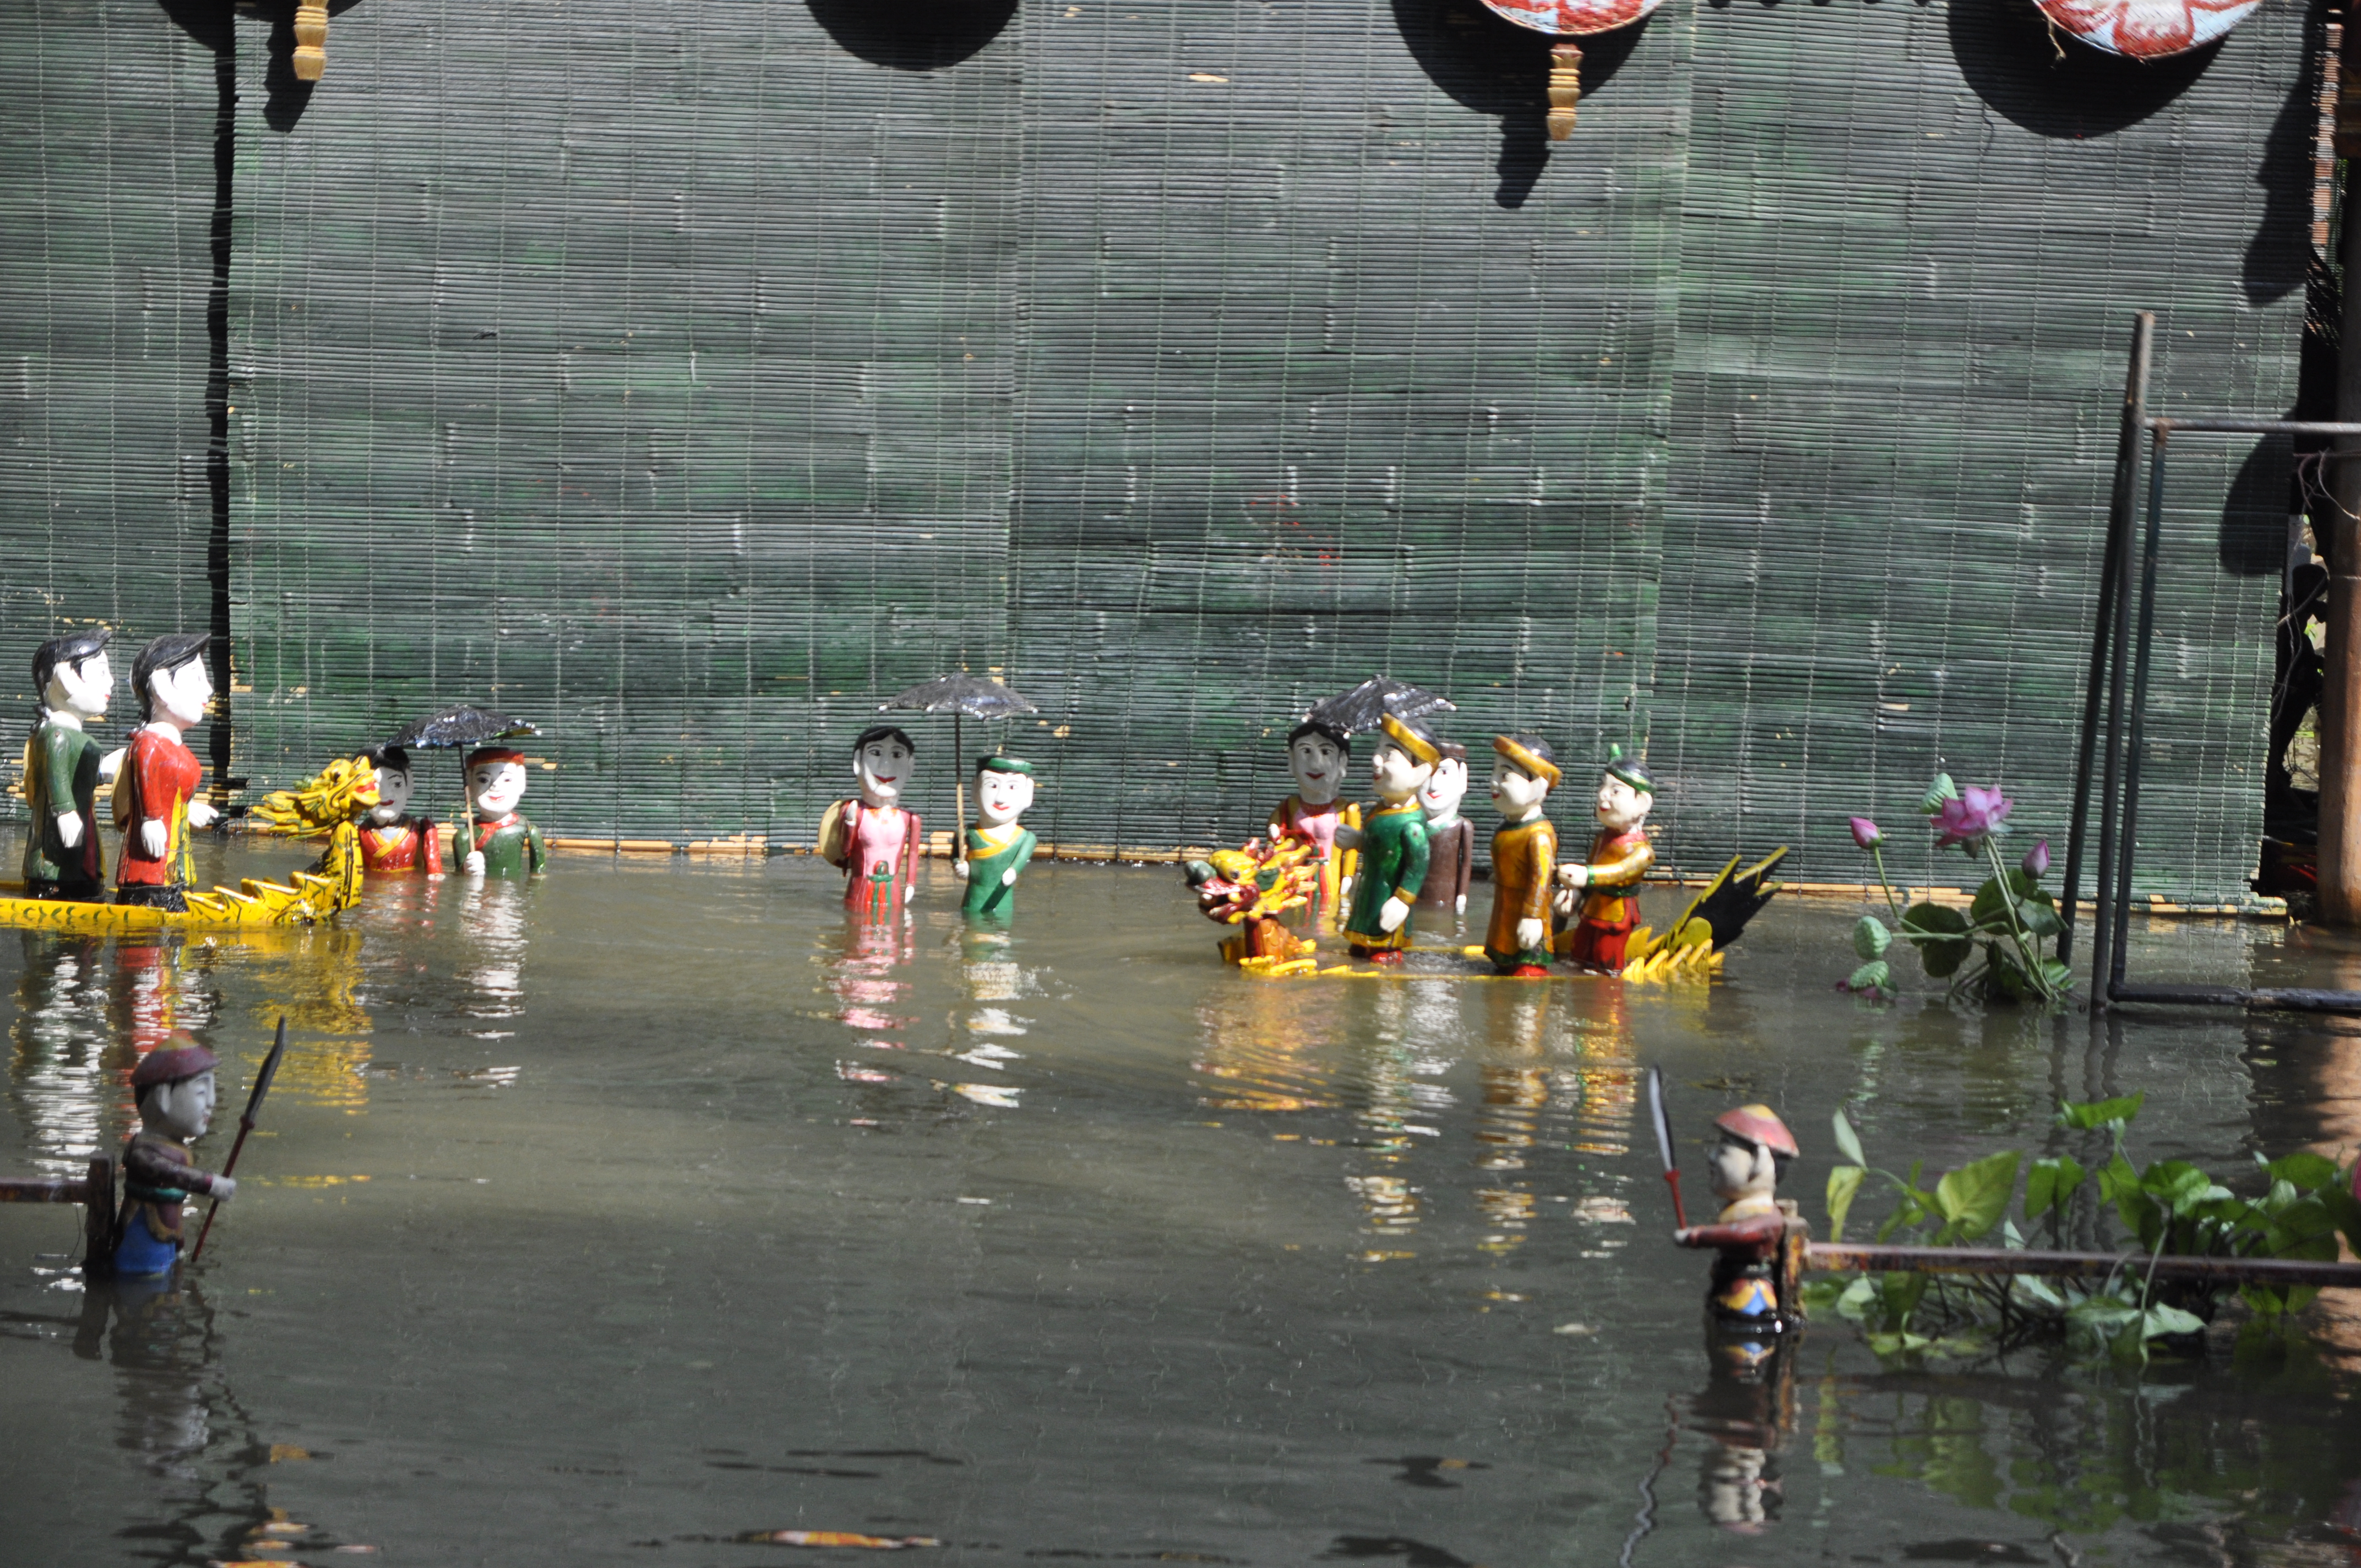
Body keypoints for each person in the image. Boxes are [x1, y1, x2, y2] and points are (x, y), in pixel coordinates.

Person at [114, 1036, 238, 1277]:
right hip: (143, 1244)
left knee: (167, 1293)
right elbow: (169, 1173)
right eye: (202, 1091)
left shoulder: (175, 1147)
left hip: (167, 1236)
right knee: (149, 1296)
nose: (212, 1102)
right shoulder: (142, 1151)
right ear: (163, 1098)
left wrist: (179, 1244)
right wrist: (211, 1184)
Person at [113, 633, 219, 911]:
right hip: (152, 863)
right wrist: (151, 819)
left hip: (175, 856)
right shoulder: (148, 743)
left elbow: (167, 786)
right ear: (161, 686)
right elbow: (145, 779)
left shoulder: (175, 746)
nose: (208, 690)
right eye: (196, 679)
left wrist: (187, 806)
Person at [1674, 1104, 1800, 1331]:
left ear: (1760, 1164)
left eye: (1723, 1152)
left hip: (1751, 1302)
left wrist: (1698, 1236)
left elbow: (1742, 1233)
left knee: (1743, 1359)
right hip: (1728, 1289)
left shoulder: (1767, 1218)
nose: (1711, 1158)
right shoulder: (1741, 1210)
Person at [1336, 711, 1438, 962]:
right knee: (1358, 950)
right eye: (1378, 750)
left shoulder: (1412, 824)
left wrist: (1402, 901)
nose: (1376, 760)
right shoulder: (1379, 811)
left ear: (1419, 771)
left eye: (1389, 754)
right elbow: (1376, 843)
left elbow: (1417, 867)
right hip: (1369, 894)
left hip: (1389, 902)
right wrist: (1358, 840)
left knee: (1384, 956)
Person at [23, 627, 113, 900]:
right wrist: (64, 812)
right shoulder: (57, 735)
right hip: (59, 848)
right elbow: (57, 776)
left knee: (83, 874)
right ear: (67, 676)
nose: (111, 682)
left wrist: (102, 773)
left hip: (81, 835)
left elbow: (70, 775)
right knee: (67, 877)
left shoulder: (72, 736)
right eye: (100, 672)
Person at [1555, 746, 1656, 972]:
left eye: (1616, 791)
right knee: (1579, 952)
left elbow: (1620, 871)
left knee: (1606, 959)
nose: (1603, 794)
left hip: (1617, 914)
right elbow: (1593, 866)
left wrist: (1586, 876)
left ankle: (1607, 1002)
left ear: (1642, 803)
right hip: (1593, 908)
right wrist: (1577, 894)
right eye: (1603, 786)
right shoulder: (1602, 838)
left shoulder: (1642, 851)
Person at [821, 725, 923, 921]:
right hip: (860, 890)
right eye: (876, 753)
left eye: (897, 755)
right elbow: (845, 851)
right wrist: (850, 823)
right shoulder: (856, 812)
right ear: (858, 762)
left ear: (910, 766)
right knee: (856, 932)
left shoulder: (909, 818)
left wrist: (910, 884)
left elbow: (913, 854)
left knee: (891, 937)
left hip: (892, 892)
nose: (886, 766)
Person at [1484, 733, 1560, 976]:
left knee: (1526, 970)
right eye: (1494, 773)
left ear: (1538, 785)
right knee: (1504, 963)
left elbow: (1542, 878)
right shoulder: (1508, 828)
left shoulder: (1538, 835)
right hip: (1505, 911)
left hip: (1527, 916)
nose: (1493, 782)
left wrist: (1533, 916)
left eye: (1504, 775)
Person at [1267, 720, 1359, 915]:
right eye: (1306, 751)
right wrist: (1275, 836)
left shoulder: (1348, 809)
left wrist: (1349, 876)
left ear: (1342, 762)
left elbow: (1352, 850)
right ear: (1291, 761)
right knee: (1296, 919)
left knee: (1328, 920)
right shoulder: (1288, 807)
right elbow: (1277, 844)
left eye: (1326, 752)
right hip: (1296, 879)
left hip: (1331, 878)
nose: (1316, 763)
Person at [956, 755, 1038, 920]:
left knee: (1000, 937)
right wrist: (960, 865)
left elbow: (1019, 864)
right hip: (972, 902)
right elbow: (956, 856)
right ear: (975, 789)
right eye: (992, 786)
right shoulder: (966, 833)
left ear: (1028, 793)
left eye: (1013, 787)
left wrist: (1013, 872)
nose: (1000, 798)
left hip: (1002, 905)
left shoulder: (1026, 838)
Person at [459, 747, 548, 876]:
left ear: (521, 782)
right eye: (483, 780)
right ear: (470, 784)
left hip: (512, 892)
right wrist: (467, 869)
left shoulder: (527, 830)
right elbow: (459, 876)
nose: (496, 786)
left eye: (507, 779)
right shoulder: (466, 835)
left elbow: (538, 873)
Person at [1412, 741, 1474, 920]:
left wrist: (1462, 895)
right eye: (1427, 774)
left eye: (1444, 772)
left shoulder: (1462, 826)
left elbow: (1466, 864)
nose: (1433, 784)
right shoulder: (1413, 824)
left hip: (1446, 897)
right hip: (1414, 895)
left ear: (1463, 779)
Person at [357, 745, 444, 874]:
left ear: (409, 785)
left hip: (408, 890)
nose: (385, 794)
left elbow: (435, 875)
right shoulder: (358, 834)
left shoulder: (422, 831)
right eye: (375, 786)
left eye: (397, 784)